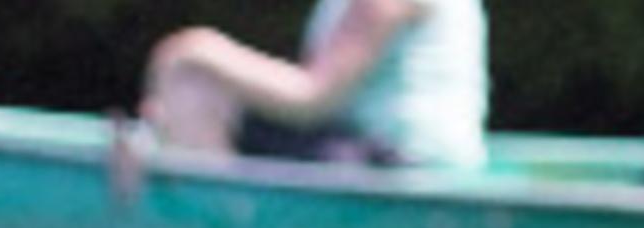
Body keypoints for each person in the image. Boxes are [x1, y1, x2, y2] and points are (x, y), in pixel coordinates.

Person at [140, 0, 490, 173]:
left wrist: (196, 48)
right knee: (205, 94)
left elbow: (315, 98)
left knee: (194, 80)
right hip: (364, 147)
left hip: (408, 166)